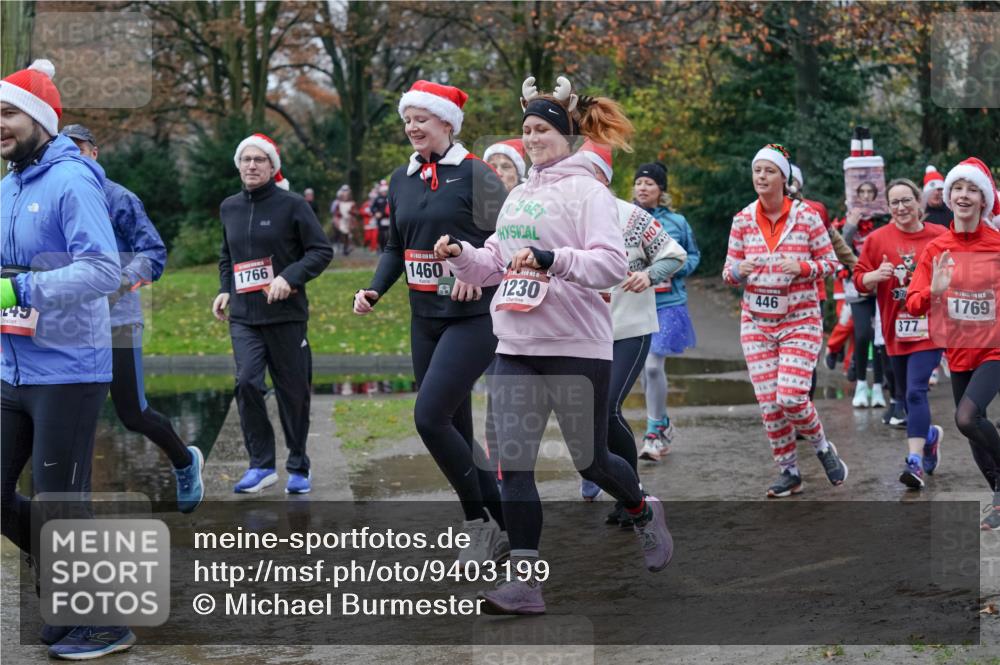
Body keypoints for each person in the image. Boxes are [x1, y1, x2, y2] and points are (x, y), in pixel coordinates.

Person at [435, 75, 674, 615]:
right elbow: (495, 259)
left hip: (575, 344)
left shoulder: (588, 191)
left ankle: (641, 508)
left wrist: (552, 260)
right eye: (526, 130)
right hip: (515, 343)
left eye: (541, 128)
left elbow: (611, 264)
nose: (532, 138)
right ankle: (525, 583)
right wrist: (459, 255)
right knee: (512, 467)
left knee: (590, 462)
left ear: (566, 133)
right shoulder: (520, 195)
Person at [1, 59, 135, 659]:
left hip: (69, 369)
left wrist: (23, 288)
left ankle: (104, 621)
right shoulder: (7, 186)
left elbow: (105, 269)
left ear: (40, 119)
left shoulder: (73, 179)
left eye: (7, 114)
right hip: (10, 368)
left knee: (61, 499)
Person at [352, 81, 511, 565]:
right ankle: (500, 526)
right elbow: (395, 247)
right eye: (407, 120)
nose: (412, 127)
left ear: (447, 122)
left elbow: (511, 241)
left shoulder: (478, 174)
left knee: (428, 416)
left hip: (475, 315)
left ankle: (479, 522)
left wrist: (477, 270)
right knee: (454, 428)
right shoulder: (401, 180)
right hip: (425, 317)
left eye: (422, 118)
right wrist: (377, 289)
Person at [61, 124, 205, 513]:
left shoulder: (118, 198)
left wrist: (120, 282)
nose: (72, 155)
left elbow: (153, 253)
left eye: (79, 148)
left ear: (95, 152)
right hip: (70, 325)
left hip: (117, 322)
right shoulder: (58, 196)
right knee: (71, 417)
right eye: (64, 148)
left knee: (132, 412)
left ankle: (184, 461)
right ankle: (75, 509)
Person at [723, 143, 848, 498]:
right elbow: (727, 272)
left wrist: (804, 267)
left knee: (791, 397)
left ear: (784, 178)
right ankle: (789, 471)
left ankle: (823, 448)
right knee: (769, 404)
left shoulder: (807, 217)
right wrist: (738, 270)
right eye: (757, 171)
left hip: (799, 320)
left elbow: (833, 264)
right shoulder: (743, 220)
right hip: (757, 324)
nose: (761, 177)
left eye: (769, 171)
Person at [214, 133, 333, 495]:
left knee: (292, 392)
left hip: (286, 316)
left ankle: (298, 465)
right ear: (238, 165)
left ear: (272, 167)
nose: (251, 165)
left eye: (259, 160)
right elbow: (226, 255)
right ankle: (261, 465)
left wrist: (288, 277)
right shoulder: (229, 207)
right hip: (245, 317)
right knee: (247, 382)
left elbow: (320, 251)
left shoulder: (293, 205)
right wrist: (223, 289)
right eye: (246, 159)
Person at [578, 140, 688, 520]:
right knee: (586, 411)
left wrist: (647, 274)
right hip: (583, 333)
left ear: (603, 179)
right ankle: (604, 475)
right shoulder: (563, 220)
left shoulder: (632, 216)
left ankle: (631, 493)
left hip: (629, 328)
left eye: (587, 174)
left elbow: (675, 255)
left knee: (606, 407)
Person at [907, 158, 1000, 529]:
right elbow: (913, 303)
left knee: (966, 417)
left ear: (984, 199)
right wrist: (934, 290)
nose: (964, 195)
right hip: (959, 350)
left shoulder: (997, 245)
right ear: (948, 197)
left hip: (995, 348)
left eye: (972, 189)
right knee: (973, 430)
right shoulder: (937, 249)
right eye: (958, 188)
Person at [854, 178, 946, 489]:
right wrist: (873, 276)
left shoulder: (940, 236)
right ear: (888, 207)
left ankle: (915, 462)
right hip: (895, 329)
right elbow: (857, 279)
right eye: (894, 202)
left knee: (917, 391)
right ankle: (930, 437)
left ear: (919, 203)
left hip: (931, 328)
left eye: (907, 200)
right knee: (906, 397)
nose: (901, 207)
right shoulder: (877, 240)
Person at [634, 161, 700, 460]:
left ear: (661, 190)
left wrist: (675, 269)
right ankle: (662, 423)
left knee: (652, 366)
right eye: (639, 183)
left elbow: (693, 255)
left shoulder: (678, 222)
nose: (643, 187)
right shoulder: (625, 218)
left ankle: (652, 434)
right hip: (635, 302)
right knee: (646, 372)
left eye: (649, 183)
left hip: (668, 303)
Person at [843, 207, 888, 408]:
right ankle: (861, 384)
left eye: (871, 192)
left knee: (880, 337)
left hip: (882, 286)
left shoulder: (885, 219)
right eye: (863, 191)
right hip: (857, 287)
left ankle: (878, 385)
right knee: (862, 334)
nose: (867, 196)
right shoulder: (849, 221)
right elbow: (841, 246)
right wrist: (851, 224)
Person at [329, 184, 356, 256]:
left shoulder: (352, 203)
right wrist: (337, 217)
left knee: (347, 235)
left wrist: (351, 214)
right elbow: (335, 212)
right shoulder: (338, 203)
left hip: (348, 220)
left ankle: (346, 249)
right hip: (340, 220)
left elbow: (354, 212)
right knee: (338, 233)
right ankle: (335, 245)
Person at [373, 180, 391, 252]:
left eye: (385, 191)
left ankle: (387, 248)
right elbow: (373, 208)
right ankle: (381, 247)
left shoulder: (389, 197)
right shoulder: (377, 198)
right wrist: (376, 212)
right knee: (381, 234)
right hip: (380, 219)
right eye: (383, 191)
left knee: (388, 234)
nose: (384, 193)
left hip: (388, 218)